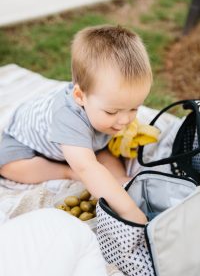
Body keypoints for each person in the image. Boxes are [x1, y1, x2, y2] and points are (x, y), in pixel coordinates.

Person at [0, 25, 152, 224]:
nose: (124, 120)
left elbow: (102, 152)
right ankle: (65, 170)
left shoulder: (105, 112)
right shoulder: (66, 117)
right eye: (112, 111)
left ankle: (122, 180)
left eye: (134, 108)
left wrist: (119, 181)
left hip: (86, 140)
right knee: (8, 166)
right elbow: (88, 168)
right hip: (24, 142)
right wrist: (128, 211)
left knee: (105, 153)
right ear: (80, 97)